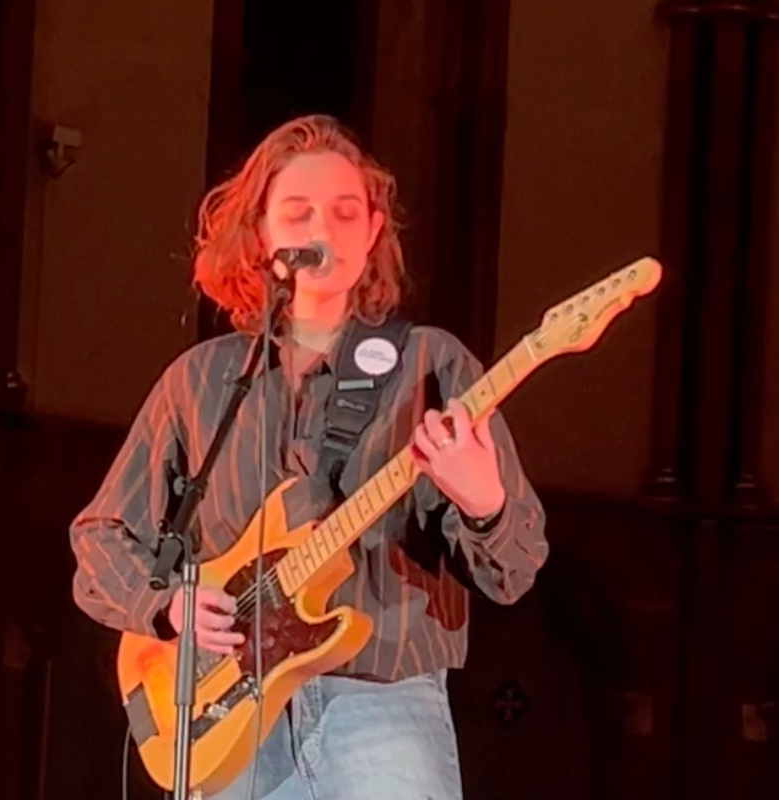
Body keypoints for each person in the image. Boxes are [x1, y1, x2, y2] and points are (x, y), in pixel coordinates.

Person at [70, 114, 547, 800]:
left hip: (381, 707)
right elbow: (102, 535)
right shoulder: (203, 381)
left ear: (374, 231)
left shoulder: (432, 365)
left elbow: (517, 568)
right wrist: (166, 606)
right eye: (297, 212)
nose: (321, 227)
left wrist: (484, 503)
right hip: (223, 708)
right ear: (262, 235)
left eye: (345, 211)